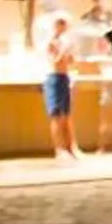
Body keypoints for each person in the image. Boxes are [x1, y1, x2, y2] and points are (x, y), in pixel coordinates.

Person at [41, 12, 81, 161]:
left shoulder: (64, 41)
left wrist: (69, 53)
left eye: (64, 24)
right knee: (56, 115)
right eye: (60, 24)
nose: (63, 27)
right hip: (54, 78)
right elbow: (55, 61)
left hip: (64, 77)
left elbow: (70, 61)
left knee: (66, 114)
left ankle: (71, 148)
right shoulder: (51, 42)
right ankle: (59, 149)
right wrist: (64, 51)